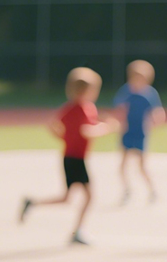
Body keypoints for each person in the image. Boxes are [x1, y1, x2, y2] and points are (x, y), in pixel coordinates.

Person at [18, 67, 115, 244]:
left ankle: (33, 203)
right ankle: (78, 231)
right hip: (76, 159)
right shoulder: (83, 108)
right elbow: (86, 131)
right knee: (88, 196)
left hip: (70, 156)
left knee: (67, 198)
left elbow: (52, 124)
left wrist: (64, 138)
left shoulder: (70, 108)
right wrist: (106, 127)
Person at [113, 59, 164, 202]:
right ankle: (126, 189)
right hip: (127, 132)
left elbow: (158, 111)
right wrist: (119, 122)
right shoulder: (126, 91)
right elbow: (120, 108)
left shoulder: (150, 93)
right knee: (123, 163)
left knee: (142, 166)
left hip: (141, 132)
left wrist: (157, 118)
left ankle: (152, 190)